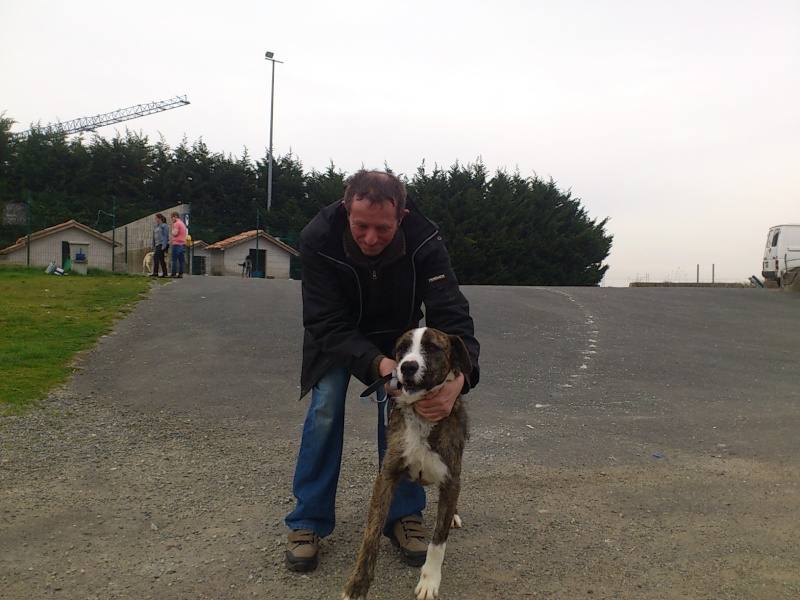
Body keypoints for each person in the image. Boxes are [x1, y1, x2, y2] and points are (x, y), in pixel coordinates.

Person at [284, 169, 480, 573]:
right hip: (336, 336)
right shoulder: (318, 238)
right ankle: (308, 521)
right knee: (325, 407)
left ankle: (404, 515)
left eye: (383, 229)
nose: (371, 238)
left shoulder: (426, 240)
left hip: (400, 340)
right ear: (345, 209)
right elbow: (323, 321)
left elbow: (452, 316)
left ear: (402, 217)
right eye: (360, 226)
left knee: (404, 417)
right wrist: (377, 364)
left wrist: (459, 380)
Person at [169, 211, 188, 278]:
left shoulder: (176, 224)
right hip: (183, 244)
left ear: (175, 216)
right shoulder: (183, 224)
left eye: (172, 217)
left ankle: (173, 273)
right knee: (182, 260)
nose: (172, 219)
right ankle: (181, 273)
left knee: (174, 260)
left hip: (177, 244)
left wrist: (172, 231)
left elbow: (175, 233)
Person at [151, 214, 169, 278]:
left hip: (162, 243)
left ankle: (155, 272)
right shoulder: (156, 226)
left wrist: (164, 245)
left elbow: (165, 236)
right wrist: (152, 244)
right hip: (157, 243)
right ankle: (164, 272)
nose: (155, 220)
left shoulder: (164, 226)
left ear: (160, 218)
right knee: (161, 258)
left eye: (156, 218)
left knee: (156, 256)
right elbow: (153, 236)